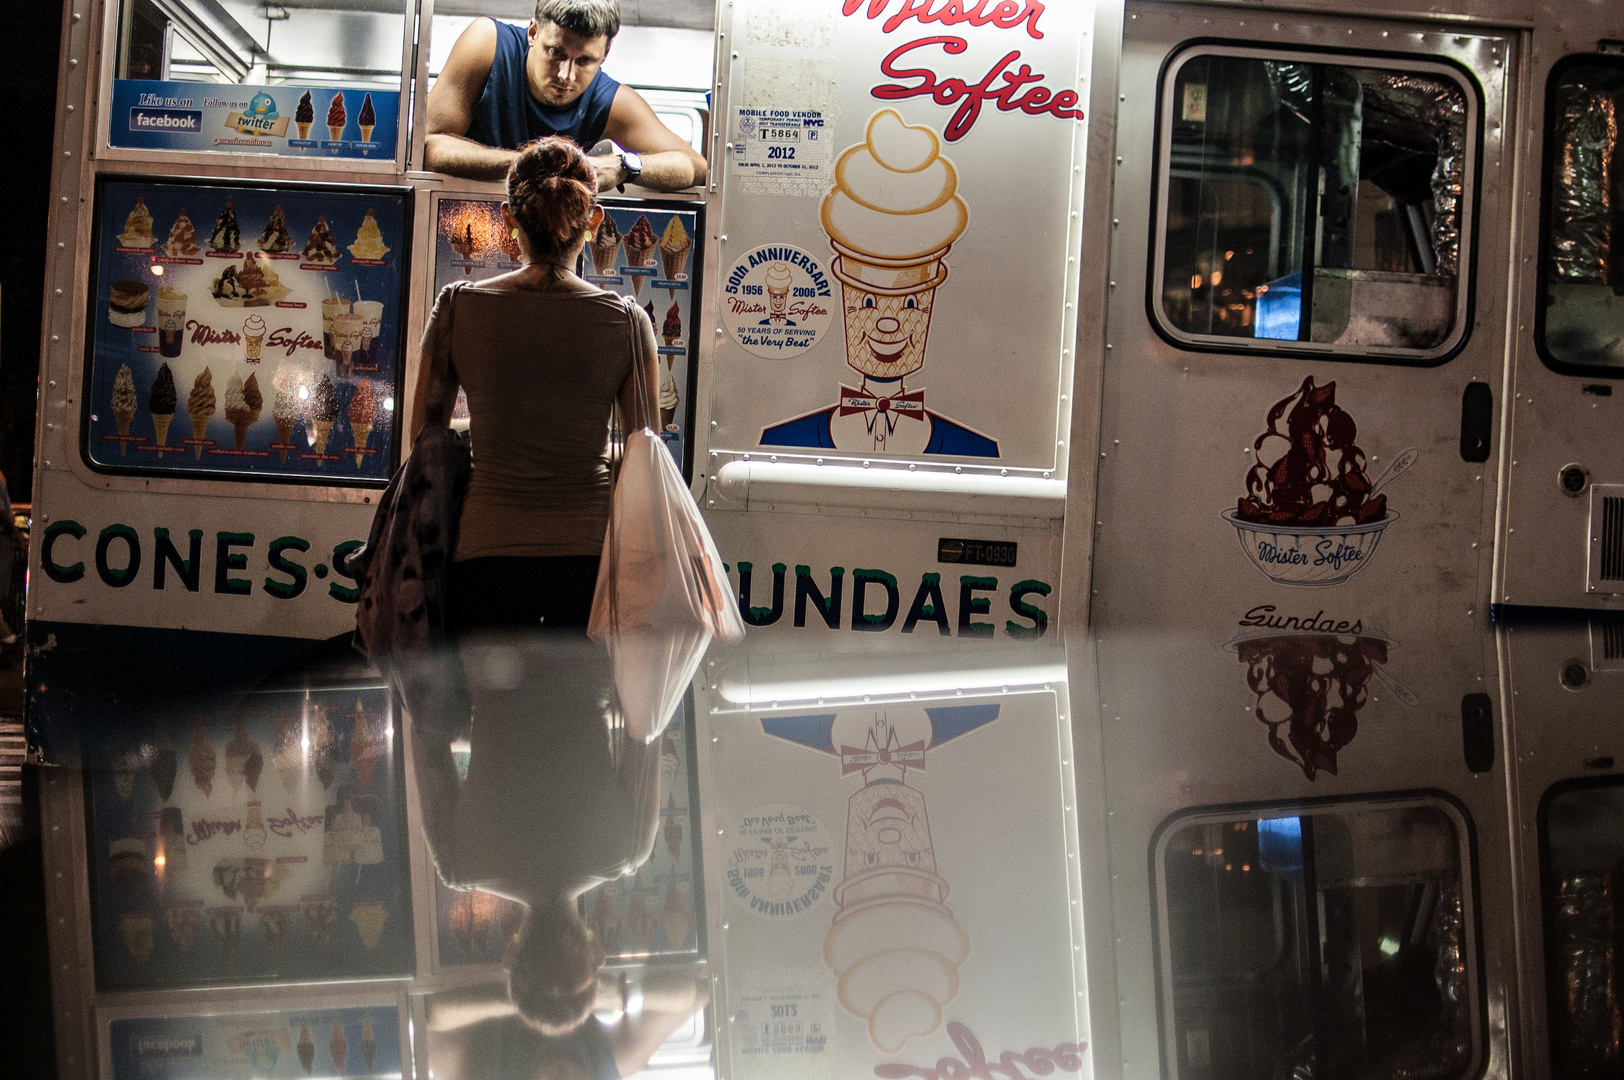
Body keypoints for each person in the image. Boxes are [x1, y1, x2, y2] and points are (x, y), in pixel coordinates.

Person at [411, 135, 659, 633]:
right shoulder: (629, 322)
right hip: (586, 561)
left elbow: (425, 439)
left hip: (483, 555)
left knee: (493, 709)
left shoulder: (458, 307)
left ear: (509, 219)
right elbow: (643, 455)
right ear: (592, 222)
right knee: (580, 708)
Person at [426, 0, 708, 191]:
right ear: (533, 33)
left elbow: (695, 167)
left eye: (584, 61)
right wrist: (531, 164)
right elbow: (428, 147)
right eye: (556, 53)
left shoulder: (609, 101)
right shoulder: (486, 44)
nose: (566, 75)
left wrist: (622, 166)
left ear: (605, 53)